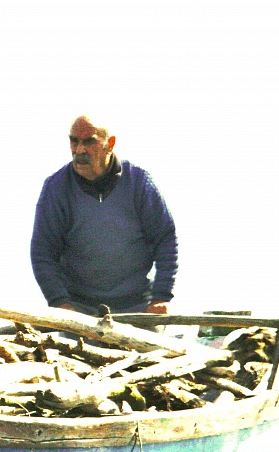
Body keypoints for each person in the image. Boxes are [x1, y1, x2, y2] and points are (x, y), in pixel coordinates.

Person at [30, 114, 178, 316]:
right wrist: (59, 302)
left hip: (138, 307)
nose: (79, 150)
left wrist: (162, 296)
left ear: (110, 144)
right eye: (74, 141)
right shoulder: (56, 188)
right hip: (79, 310)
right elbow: (43, 251)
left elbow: (165, 239)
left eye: (89, 141)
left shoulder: (138, 183)